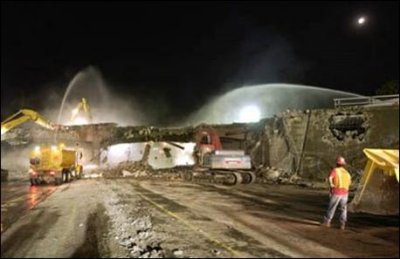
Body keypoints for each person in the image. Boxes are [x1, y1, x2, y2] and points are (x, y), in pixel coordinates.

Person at [321, 156, 352, 230]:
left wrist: (331, 185)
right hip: (345, 193)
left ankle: (327, 222)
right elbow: (350, 182)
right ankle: (342, 224)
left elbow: (330, 178)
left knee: (332, 207)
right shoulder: (347, 173)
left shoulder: (335, 170)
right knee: (343, 209)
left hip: (337, 191)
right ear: (343, 164)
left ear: (337, 163)